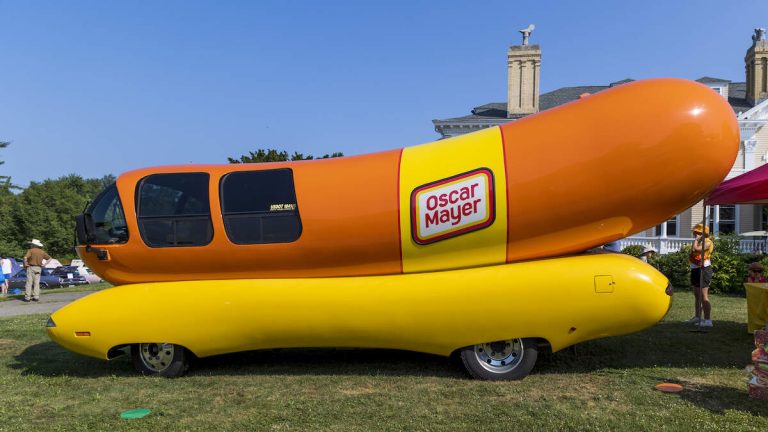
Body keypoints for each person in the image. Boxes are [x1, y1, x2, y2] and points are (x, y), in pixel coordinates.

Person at [686, 224, 714, 327]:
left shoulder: (707, 242)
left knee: (704, 296)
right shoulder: (700, 241)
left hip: (704, 270)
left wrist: (696, 240)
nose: (694, 234)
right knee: (697, 295)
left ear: (703, 234)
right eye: (694, 232)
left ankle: (707, 320)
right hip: (695, 269)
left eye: (697, 232)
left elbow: (695, 249)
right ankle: (697, 317)